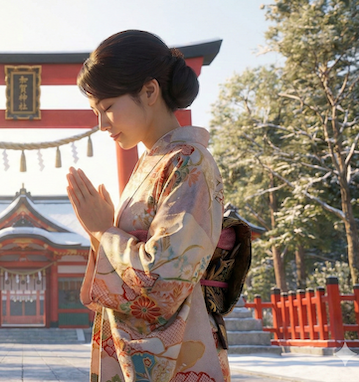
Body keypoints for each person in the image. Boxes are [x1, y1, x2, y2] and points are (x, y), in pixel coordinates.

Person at [66, 30, 228, 382]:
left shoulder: (190, 162)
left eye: (107, 108)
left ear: (150, 91)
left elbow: (164, 282)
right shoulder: (156, 164)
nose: (101, 124)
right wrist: (102, 236)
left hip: (180, 352)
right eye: (96, 111)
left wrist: (104, 231)